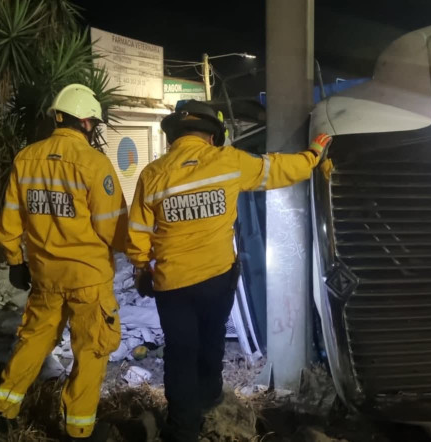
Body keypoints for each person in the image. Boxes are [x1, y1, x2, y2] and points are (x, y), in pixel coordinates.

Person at [125, 100, 331, 441]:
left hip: (172, 284)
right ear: (212, 134)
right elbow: (279, 168)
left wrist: (141, 269)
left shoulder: (153, 174)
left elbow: (137, 235)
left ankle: (182, 430)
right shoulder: (228, 161)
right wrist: (313, 155)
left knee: (180, 353)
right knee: (212, 337)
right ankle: (210, 395)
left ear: (175, 134)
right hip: (217, 279)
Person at [0, 83, 127, 441]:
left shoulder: (26, 158)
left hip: (44, 275)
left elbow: (9, 219)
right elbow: (112, 226)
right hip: (88, 278)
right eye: (93, 124)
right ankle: (78, 429)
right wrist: (142, 252)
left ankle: (3, 412)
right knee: (91, 350)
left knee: (34, 340)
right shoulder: (94, 164)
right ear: (86, 123)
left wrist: (14, 260)